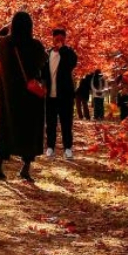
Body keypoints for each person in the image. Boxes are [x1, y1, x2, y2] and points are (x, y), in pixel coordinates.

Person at [0, 11, 47, 182]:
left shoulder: (4, 44)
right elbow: (42, 61)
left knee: (7, 128)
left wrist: (8, 27)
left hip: (9, 98)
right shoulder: (36, 45)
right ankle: (25, 168)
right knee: (29, 131)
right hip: (30, 98)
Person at [44, 28, 78, 159]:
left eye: (61, 39)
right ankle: (50, 147)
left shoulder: (69, 53)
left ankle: (68, 148)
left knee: (66, 123)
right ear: (52, 39)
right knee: (50, 123)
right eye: (56, 39)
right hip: (50, 95)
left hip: (65, 96)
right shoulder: (47, 54)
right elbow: (42, 71)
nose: (58, 41)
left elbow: (71, 64)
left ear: (65, 39)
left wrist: (62, 49)